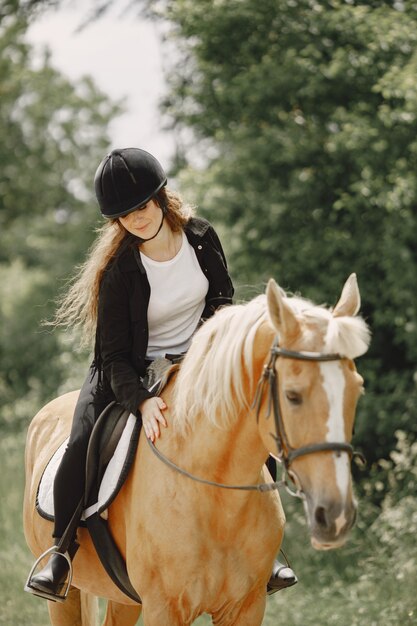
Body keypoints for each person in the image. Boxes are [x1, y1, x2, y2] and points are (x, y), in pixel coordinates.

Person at [26, 147, 296, 601]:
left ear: (161, 198)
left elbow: (221, 300)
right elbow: (112, 357)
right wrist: (143, 400)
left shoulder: (201, 237)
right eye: (124, 215)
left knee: (250, 419)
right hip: (126, 369)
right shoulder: (119, 272)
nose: (137, 218)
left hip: (198, 358)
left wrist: (209, 357)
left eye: (142, 206)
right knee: (82, 441)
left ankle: (268, 549)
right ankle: (62, 551)